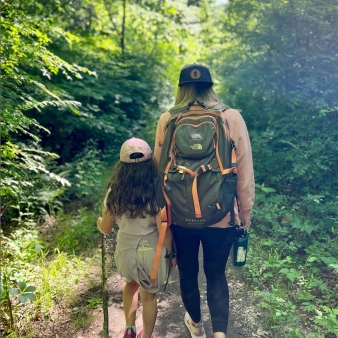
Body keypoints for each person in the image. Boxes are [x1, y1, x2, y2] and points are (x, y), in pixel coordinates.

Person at [154, 64, 255, 338]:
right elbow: (244, 174)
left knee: (188, 273)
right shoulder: (231, 117)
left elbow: (159, 172)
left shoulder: (167, 120)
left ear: (181, 88)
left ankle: (196, 328)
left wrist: (162, 220)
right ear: (210, 86)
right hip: (221, 214)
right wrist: (243, 214)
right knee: (216, 275)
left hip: (180, 216)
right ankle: (220, 335)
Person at [97, 137, 176, 338]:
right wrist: (173, 253)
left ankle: (130, 328)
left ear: (121, 166)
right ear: (150, 163)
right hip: (150, 252)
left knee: (130, 285)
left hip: (126, 251)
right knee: (149, 297)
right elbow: (163, 228)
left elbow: (106, 228)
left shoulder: (114, 192)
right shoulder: (156, 191)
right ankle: (146, 336)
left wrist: (99, 221)